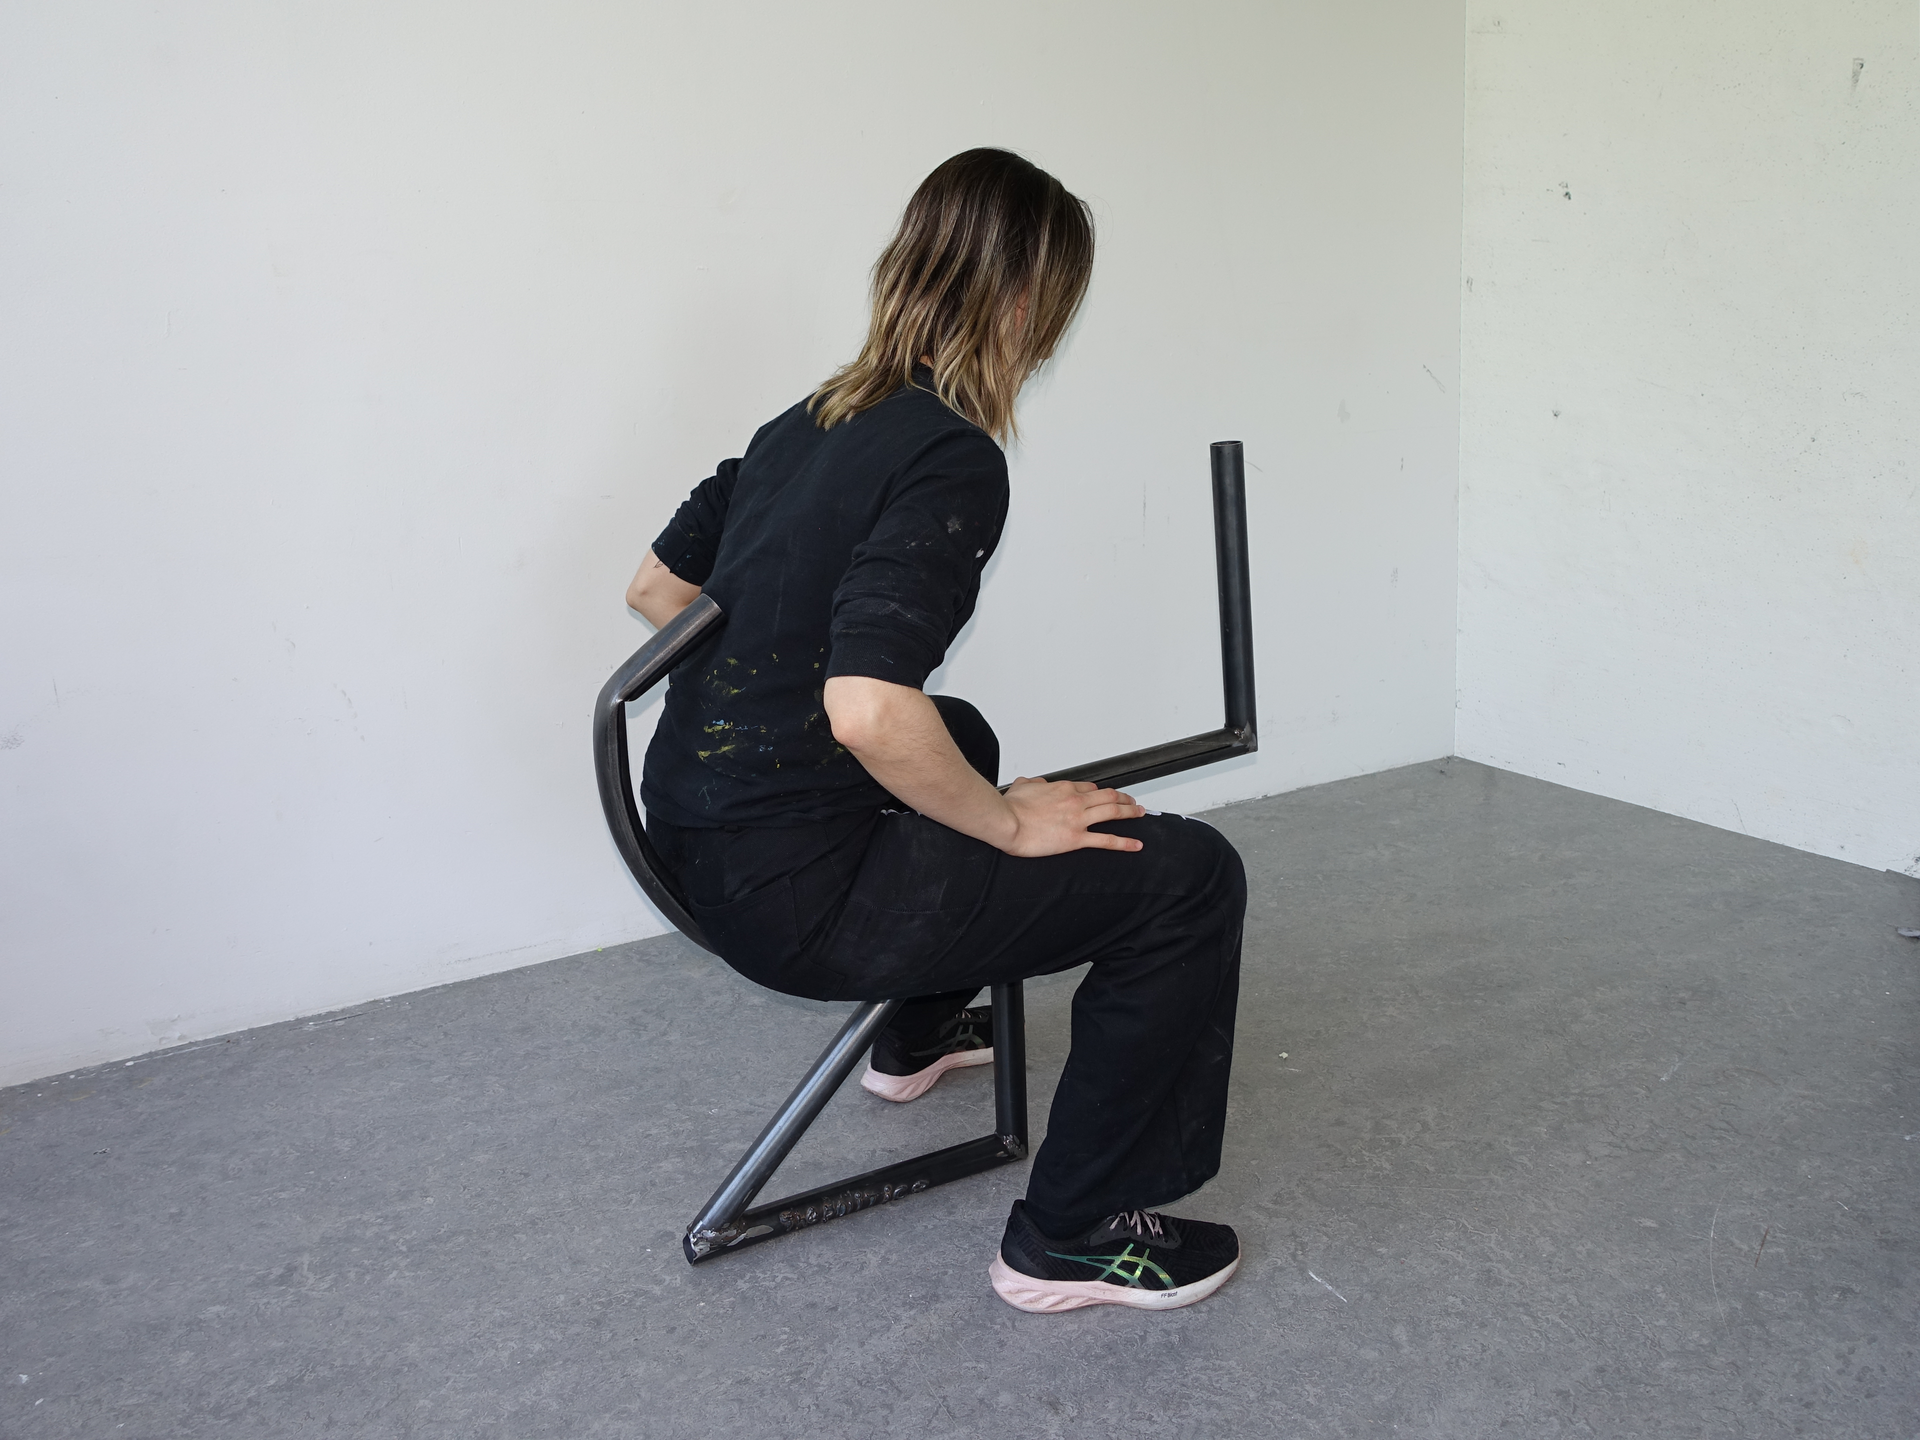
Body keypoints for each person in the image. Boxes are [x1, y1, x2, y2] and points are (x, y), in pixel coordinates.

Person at [625, 149, 1247, 1313]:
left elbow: (658, 591)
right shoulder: (952, 453)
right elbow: (866, 709)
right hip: (795, 901)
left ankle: (913, 1038)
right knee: (1188, 879)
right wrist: (1009, 827)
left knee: (955, 724)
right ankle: (1075, 1235)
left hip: (692, 842)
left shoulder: (803, 422)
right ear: (1021, 301)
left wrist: (773, 720)